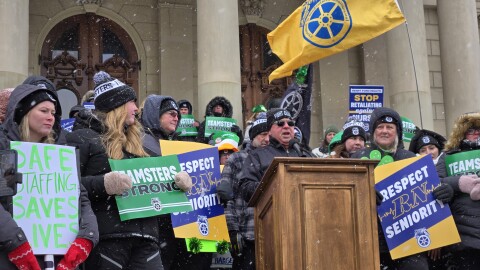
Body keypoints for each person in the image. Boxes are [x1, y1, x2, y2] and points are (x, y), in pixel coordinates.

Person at [65, 71, 163, 269]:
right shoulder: (83, 138)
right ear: (116, 106)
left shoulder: (141, 143)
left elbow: (156, 181)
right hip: (107, 240)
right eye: (131, 103)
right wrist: (104, 184)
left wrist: (176, 182)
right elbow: (66, 186)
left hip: (147, 240)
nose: (136, 108)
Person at [0, 84, 99, 270]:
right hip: (13, 256)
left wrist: (87, 238)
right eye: (43, 110)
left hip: (59, 257)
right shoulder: (6, 152)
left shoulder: (61, 156)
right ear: (24, 113)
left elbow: (81, 199)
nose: (50, 117)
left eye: (53, 113)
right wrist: (17, 244)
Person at [351, 107, 443, 270]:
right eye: (380, 127)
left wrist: (445, 191)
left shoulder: (410, 158)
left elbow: (429, 195)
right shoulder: (358, 157)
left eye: (390, 127)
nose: (384, 131)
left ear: (397, 132)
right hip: (370, 241)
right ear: (373, 131)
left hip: (408, 241)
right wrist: (363, 192)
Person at [139, 94, 206, 270]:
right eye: (170, 113)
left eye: (177, 114)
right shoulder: (140, 142)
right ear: (155, 115)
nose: (176, 118)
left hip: (177, 225)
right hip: (154, 225)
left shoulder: (173, 143)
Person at [217, 113, 269, 270]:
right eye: (262, 134)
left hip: (273, 234)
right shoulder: (237, 159)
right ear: (253, 137)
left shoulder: (276, 158)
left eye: (269, 135)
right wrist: (232, 230)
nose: (267, 139)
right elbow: (226, 198)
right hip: (247, 235)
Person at [435, 112, 480, 269]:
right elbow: (434, 185)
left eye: (479, 129)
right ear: (462, 133)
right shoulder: (448, 156)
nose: (476, 133)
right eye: (471, 130)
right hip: (464, 238)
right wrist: (457, 184)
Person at [239, 108, 313, 202]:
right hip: (275, 211)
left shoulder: (306, 154)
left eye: (290, 123)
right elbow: (245, 190)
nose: (286, 126)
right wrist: (273, 184)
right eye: (280, 123)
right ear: (269, 130)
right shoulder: (257, 156)